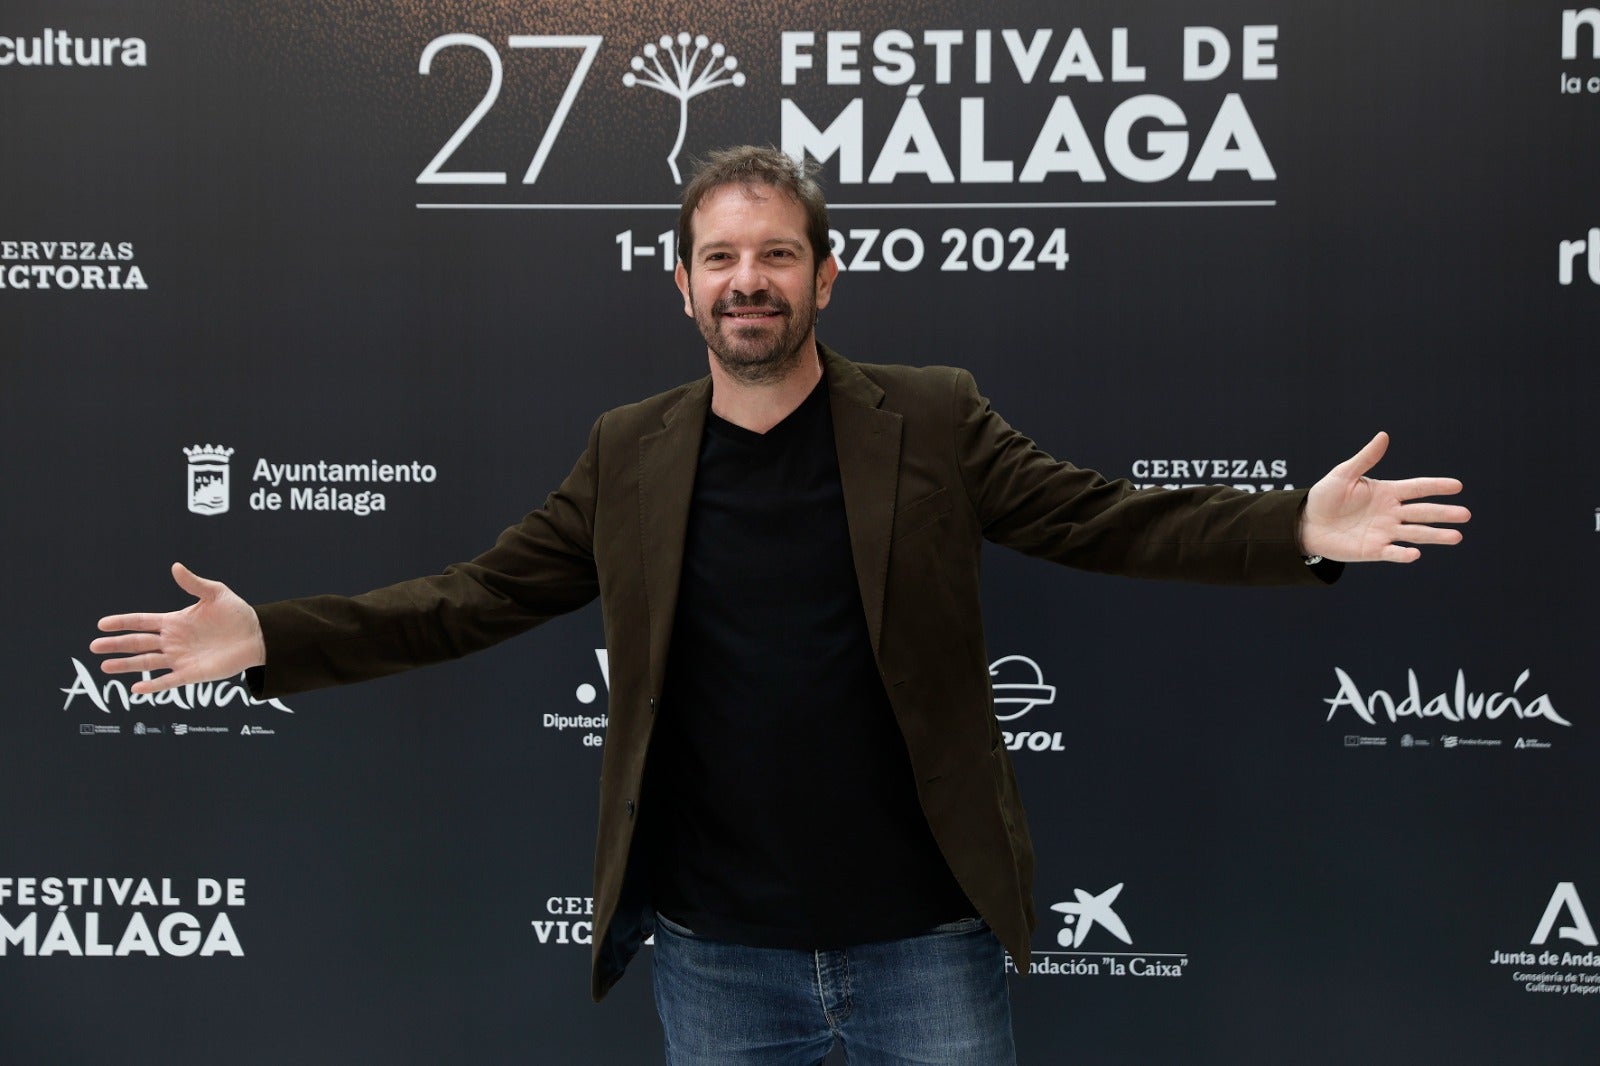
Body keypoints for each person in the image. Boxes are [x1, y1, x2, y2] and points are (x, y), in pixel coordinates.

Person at [92, 146, 1469, 1065]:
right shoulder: (628, 450)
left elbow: (1108, 517)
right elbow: (472, 598)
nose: (748, 279)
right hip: (718, 957)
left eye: (775, 254)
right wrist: (273, 635)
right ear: (681, 282)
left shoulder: (931, 419)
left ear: (825, 272)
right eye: (721, 257)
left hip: (928, 942)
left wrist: (1293, 524)